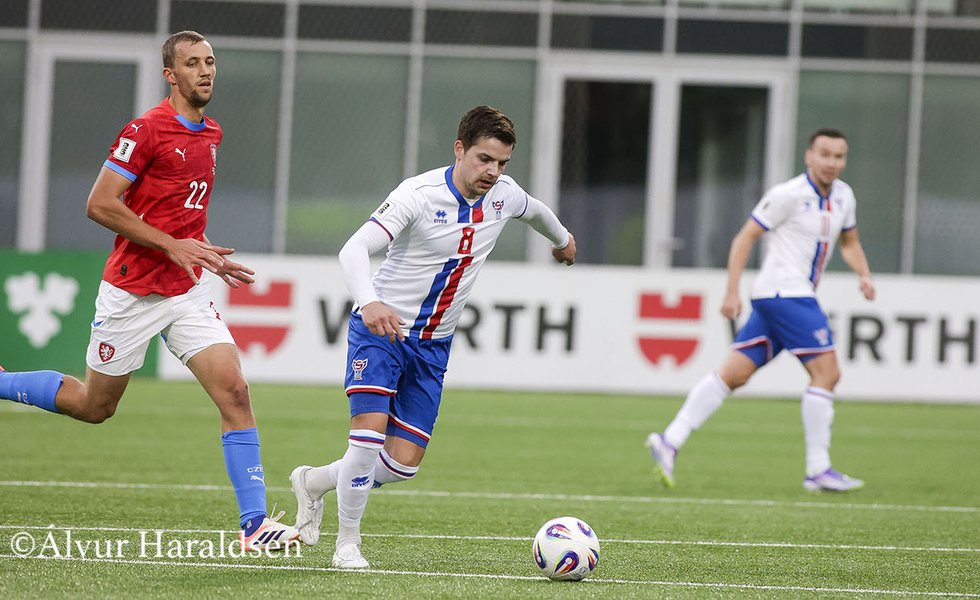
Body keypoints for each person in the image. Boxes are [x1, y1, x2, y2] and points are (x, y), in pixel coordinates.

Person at [0, 31, 298, 549]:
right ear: (170, 74)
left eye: (210, 62)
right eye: (192, 63)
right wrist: (172, 245)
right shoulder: (146, 130)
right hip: (132, 292)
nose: (205, 71)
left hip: (185, 291)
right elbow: (99, 204)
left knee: (235, 393)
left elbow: (180, 214)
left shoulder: (212, 133)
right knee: (94, 406)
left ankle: (254, 526)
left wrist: (203, 252)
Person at [289, 106, 577, 568]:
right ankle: (347, 545)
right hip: (382, 331)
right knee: (366, 440)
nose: (493, 171)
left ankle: (314, 481)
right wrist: (369, 301)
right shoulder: (417, 195)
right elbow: (354, 248)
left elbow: (536, 211)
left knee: (402, 464)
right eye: (484, 159)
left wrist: (562, 240)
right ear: (459, 149)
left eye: (502, 163)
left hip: (433, 345)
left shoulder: (503, 195)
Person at [646, 128, 875, 493]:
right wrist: (731, 291)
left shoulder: (844, 196)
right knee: (827, 373)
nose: (831, 162)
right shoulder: (788, 195)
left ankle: (669, 440)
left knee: (733, 374)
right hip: (787, 293)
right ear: (809, 156)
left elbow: (850, 243)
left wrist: (863, 274)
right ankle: (818, 469)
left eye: (839, 156)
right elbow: (745, 238)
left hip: (779, 298)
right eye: (824, 154)